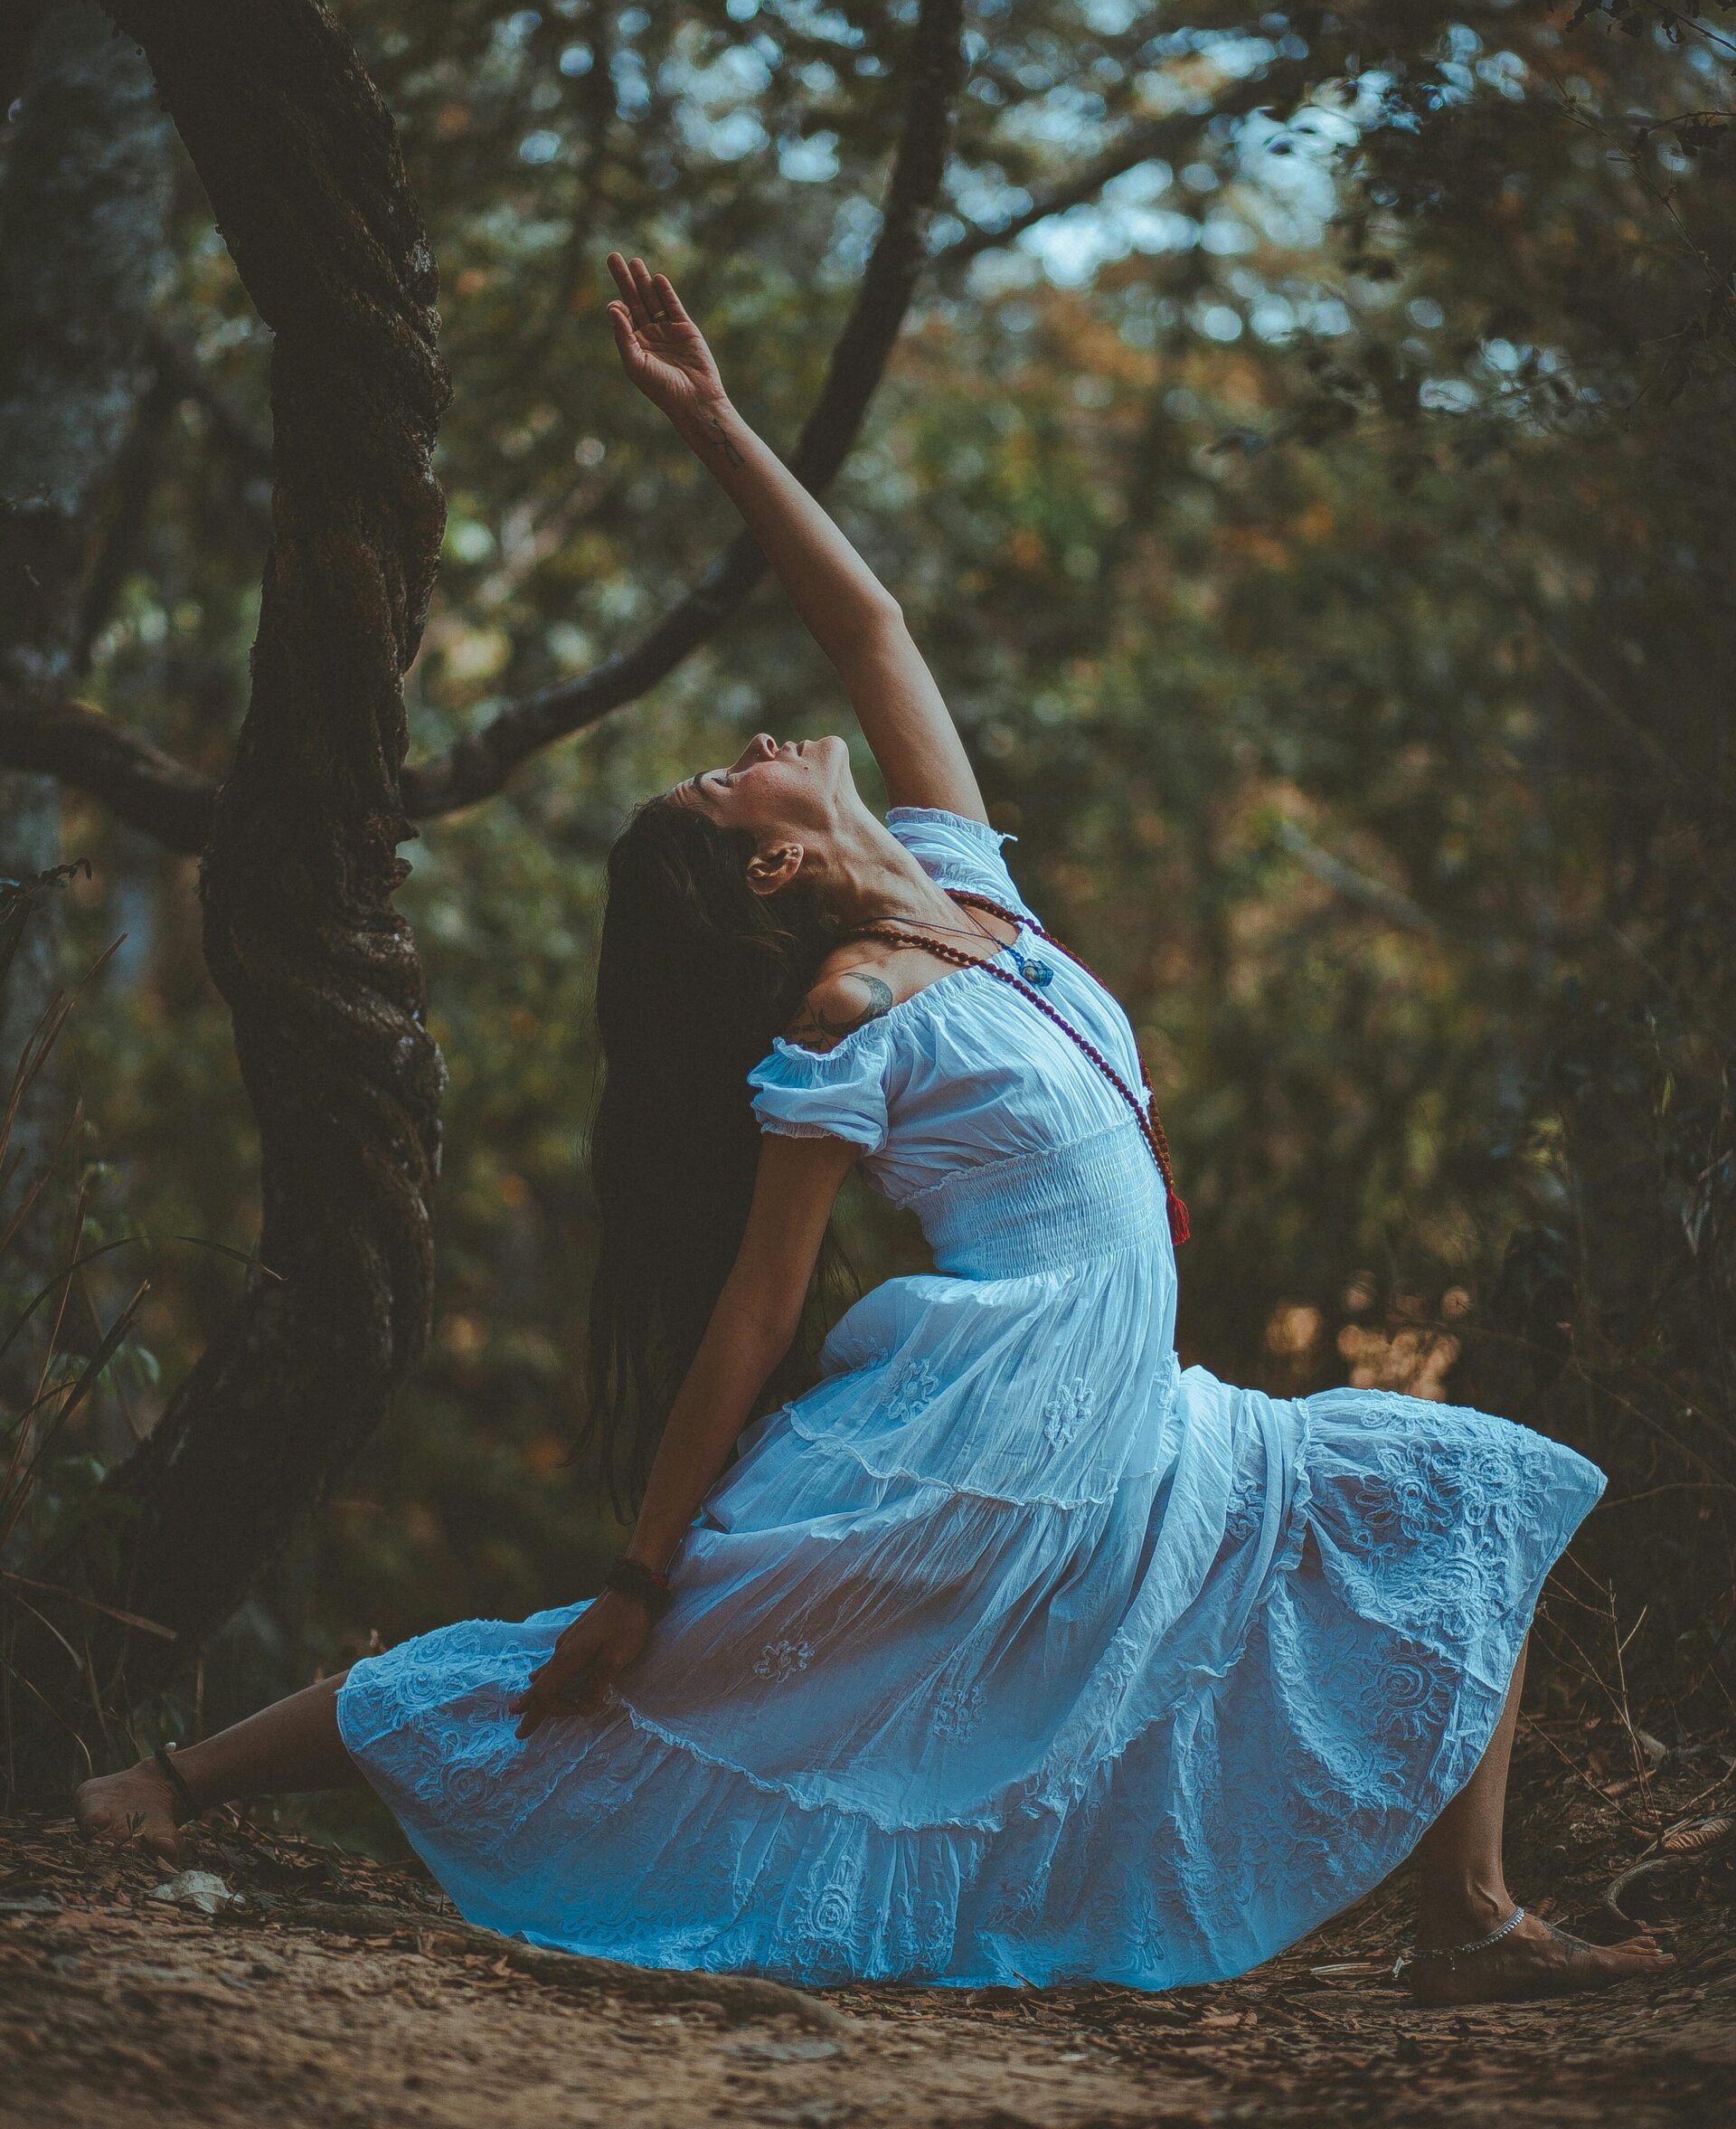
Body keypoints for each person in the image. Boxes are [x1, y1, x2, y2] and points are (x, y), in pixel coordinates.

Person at [78, 255, 1668, 2004]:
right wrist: (638, 1564)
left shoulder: (972, 889)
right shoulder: (849, 1016)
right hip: (964, 1446)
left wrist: (712, 417)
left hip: (1129, 1422)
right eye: (724, 775)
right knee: (626, 1664)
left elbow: (872, 630)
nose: (755, 742)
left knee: (1467, 1486)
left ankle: (1472, 1924)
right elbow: (759, 1308)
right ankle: (170, 1779)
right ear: (771, 862)